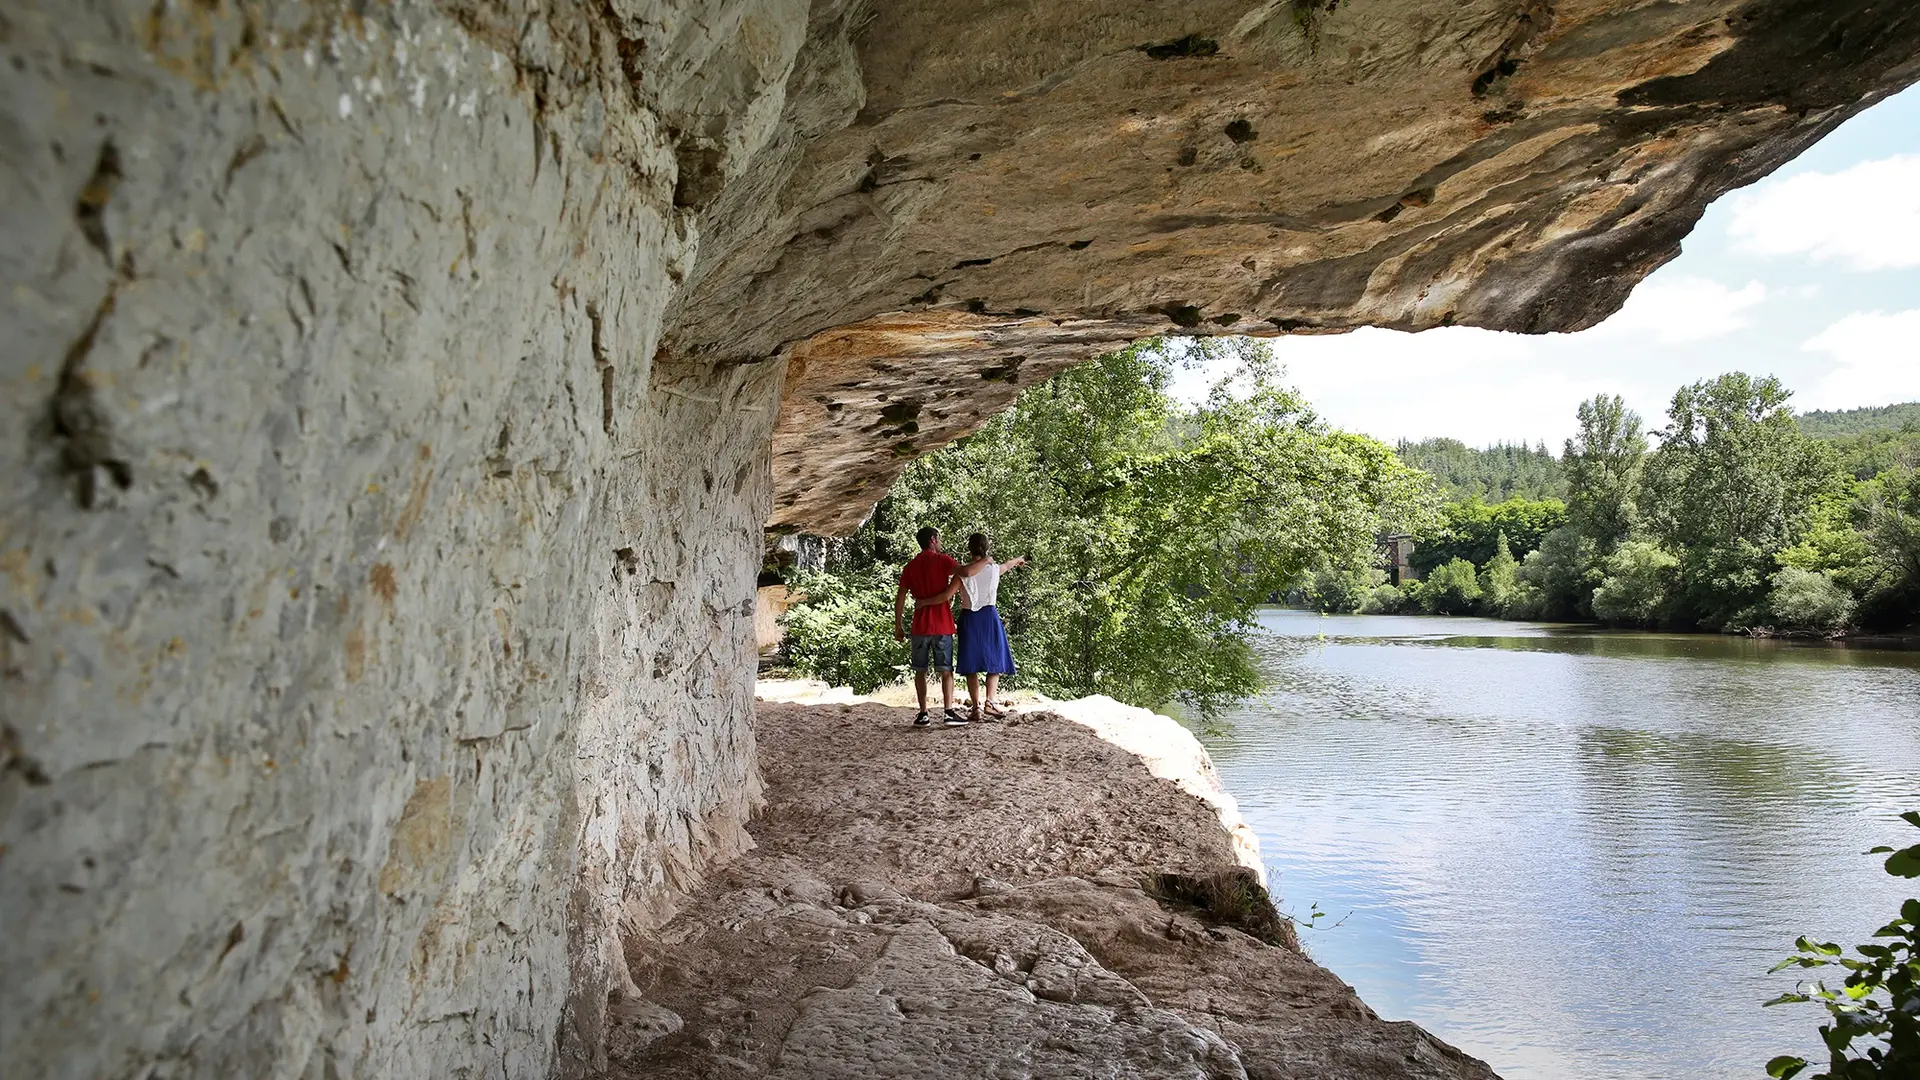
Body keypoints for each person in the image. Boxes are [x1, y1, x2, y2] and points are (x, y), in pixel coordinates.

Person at [918, 531, 1025, 721]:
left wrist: (924, 602)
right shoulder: (993, 569)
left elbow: (945, 596)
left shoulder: (962, 573)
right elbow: (1008, 565)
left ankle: (975, 708)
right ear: (987, 549)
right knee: (995, 662)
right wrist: (1020, 559)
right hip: (990, 617)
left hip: (969, 618)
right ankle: (990, 703)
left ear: (969, 549)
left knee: (972, 664)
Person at [894, 525, 966, 727]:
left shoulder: (911, 566)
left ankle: (923, 713)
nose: (941, 543)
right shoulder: (943, 560)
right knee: (946, 670)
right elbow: (964, 573)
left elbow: (901, 596)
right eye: (939, 539)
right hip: (942, 623)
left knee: (920, 670)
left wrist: (898, 625)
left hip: (919, 626)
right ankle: (948, 712)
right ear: (933, 539)